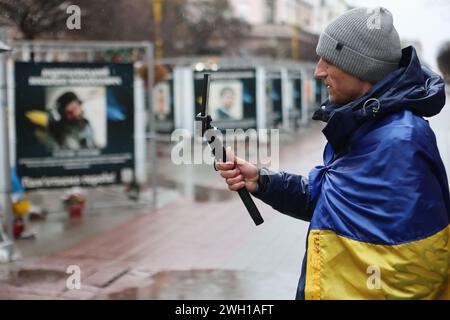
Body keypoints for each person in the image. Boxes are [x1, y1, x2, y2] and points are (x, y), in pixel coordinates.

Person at [217, 7, 450, 300]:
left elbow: (415, 273)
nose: (318, 71)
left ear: (360, 67)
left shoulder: (398, 141)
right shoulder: (370, 126)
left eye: (329, 60)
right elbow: (334, 204)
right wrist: (262, 181)